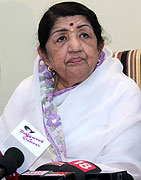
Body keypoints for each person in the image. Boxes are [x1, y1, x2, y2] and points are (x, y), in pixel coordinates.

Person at [0, 1, 141, 180]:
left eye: (84, 35)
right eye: (61, 38)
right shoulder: (26, 92)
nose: (75, 47)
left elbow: (126, 169)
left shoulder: (122, 92)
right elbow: (5, 155)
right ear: (44, 55)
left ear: (99, 47)